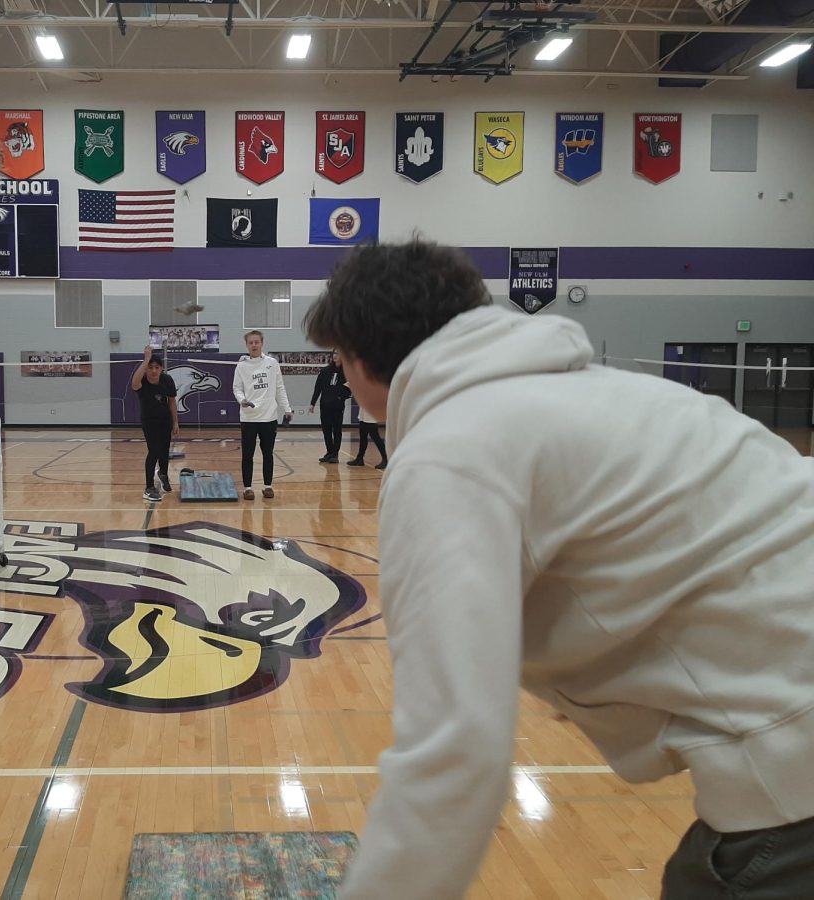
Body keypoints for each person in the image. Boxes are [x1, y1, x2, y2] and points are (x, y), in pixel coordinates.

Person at [303, 237, 814, 900]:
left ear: (362, 358)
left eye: (340, 362)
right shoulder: (629, 395)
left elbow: (455, 755)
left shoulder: (451, 452)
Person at [233, 329, 292, 500]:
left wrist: (287, 408)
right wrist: (242, 400)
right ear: (247, 345)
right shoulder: (242, 365)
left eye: (256, 342)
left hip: (269, 418)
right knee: (248, 455)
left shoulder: (272, 363)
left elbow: (280, 387)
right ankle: (248, 488)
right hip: (249, 418)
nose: (253, 345)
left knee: (268, 453)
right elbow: (236, 388)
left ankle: (268, 486)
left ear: (261, 343)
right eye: (250, 342)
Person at [131, 343, 179, 503]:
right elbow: (133, 383)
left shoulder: (167, 380)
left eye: (156, 367)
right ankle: (149, 487)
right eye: (150, 367)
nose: (153, 370)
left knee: (164, 451)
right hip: (149, 421)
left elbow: (172, 401)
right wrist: (146, 359)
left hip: (165, 420)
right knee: (154, 451)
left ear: (161, 369)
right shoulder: (142, 381)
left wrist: (175, 422)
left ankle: (163, 474)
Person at [309, 349, 349, 462]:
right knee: (326, 430)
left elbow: (349, 389)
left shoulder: (346, 372)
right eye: (334, 353)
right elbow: (318, 387)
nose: (335, 356)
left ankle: (335, 454)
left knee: (336, 430)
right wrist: (313, 403)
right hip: (325, 405)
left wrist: (341, 397)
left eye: (339, 353)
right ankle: (329, 452)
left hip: (337, 406)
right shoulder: (325, 371)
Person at [345, 404, 387, 469]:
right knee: (363, 437)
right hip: (363, 413)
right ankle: (360, 459)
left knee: (376, 438)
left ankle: (385, 459)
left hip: (371, 414)